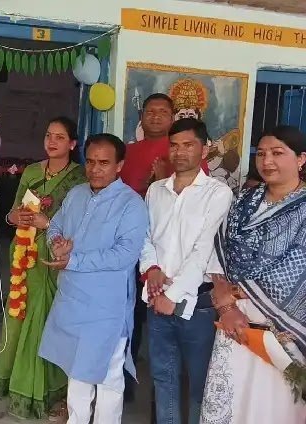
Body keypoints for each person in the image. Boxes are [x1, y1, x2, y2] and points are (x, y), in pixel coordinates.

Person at [38, 133, 149, 424]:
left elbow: (125, 255)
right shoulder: (77, 194)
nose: (95, 169)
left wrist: (73, 260)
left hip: (106, 307)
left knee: (108, 376)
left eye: (103, 163)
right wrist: (57, 242)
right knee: (77, 370)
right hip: (72, 299)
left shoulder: (131, 204)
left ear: (119, 165)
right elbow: (55, 226)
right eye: (90, 162)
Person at [200, 125, 306, 424]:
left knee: (272, 405)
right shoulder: (244, 202)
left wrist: (235, 295)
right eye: (261, 154)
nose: (267, 161)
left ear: (301, 159)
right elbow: (219, 253)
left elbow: (297, 268)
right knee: (233, 398)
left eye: (277, 153)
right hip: (234, 323)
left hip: (283, 328)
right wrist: (226, 306)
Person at [140, 118, 233, 424]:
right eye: (174, 145)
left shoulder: (218, 193)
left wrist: (173, 295)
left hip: (198, 303)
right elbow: (145, 236)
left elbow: (204, 250)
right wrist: (151, 269)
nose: (179, 152)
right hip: (157, 298)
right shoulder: (156, 190)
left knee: (199, 383)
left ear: (204, 149)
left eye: (188, 145)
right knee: (163, 378)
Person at [120, 93, 211, 402]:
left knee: (175, 352)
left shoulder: (191, 163)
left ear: (172, 117)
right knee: (131, 320)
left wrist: (162, 179)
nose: (156, 116)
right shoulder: (129, 152)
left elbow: (191, 215)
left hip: (178, 270)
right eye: (150, 111)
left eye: (162, 112)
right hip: (138, 254)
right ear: (141, 117)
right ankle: (127, 382)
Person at [0, 116, 87, 420]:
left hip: (55, 258)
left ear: (72, 144)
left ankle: (48, 390)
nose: (52, 141)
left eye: (60, 137)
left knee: (47, 321)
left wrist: (48, 224)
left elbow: (81, 226)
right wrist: (13, 218)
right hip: (25, 256)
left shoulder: (80, 179)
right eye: (49, 135)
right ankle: (14, 380)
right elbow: (13, 211)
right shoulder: (33, 171)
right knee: (20, 316)